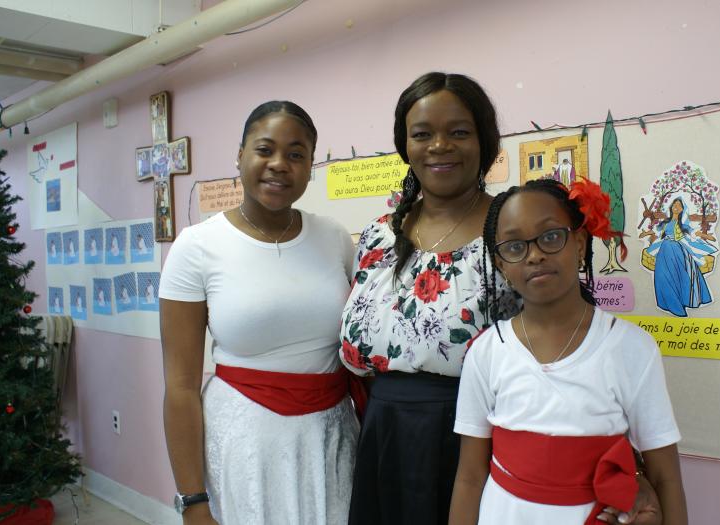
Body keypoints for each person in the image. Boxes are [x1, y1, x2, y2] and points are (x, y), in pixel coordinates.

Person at [341, 72, 656, 525]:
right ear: (404, 145)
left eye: (459, 132)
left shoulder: (511, 232)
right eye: (422, 134)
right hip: (385, 443)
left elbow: (576, 350)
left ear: (485, 142)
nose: (440, 146)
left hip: (486, 446)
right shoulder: (377, 236)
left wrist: (628, 465)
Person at [159, 101, 358, 525]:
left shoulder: (335, 238)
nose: (279, 164)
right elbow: (179, 387)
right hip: (245, 445)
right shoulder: (196, 247)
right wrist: (191, 499)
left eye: (296, 154)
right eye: (264, 149)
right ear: (240, 155)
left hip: (331, 438)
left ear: (310, 167)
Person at [450, 179, 687, 525]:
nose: (534, 254)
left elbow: (665, 477)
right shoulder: (486, 352)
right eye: (515, 246)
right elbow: (470, 477)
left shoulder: (631, 349)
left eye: (550, 237)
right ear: (501, 264)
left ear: (579, 243)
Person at [644, 196, 717, 317]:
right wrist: (646, 233)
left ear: (683, 209)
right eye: (674, 204)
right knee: (662, 276)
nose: (676, 207)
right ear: (671, 207)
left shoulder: (684, 225)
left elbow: (694, 234)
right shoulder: (665, 223)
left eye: (679, 205)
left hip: (677, 252)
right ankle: (667, 303)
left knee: (678, 277)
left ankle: (678, 305)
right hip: (664, 251)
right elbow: (656, 233)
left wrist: (708, 236)